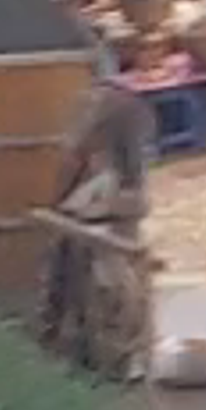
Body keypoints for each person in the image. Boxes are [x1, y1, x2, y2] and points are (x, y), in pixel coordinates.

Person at [41, 20, 160, 387]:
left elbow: (72, 155)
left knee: (92, 280)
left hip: (98, 201)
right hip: (126, 199)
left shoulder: (94, 103)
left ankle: (90, 352)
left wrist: (57, 200)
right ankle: (126, 356)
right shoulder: (137, 105)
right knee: (123, 282)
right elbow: (139, 167)